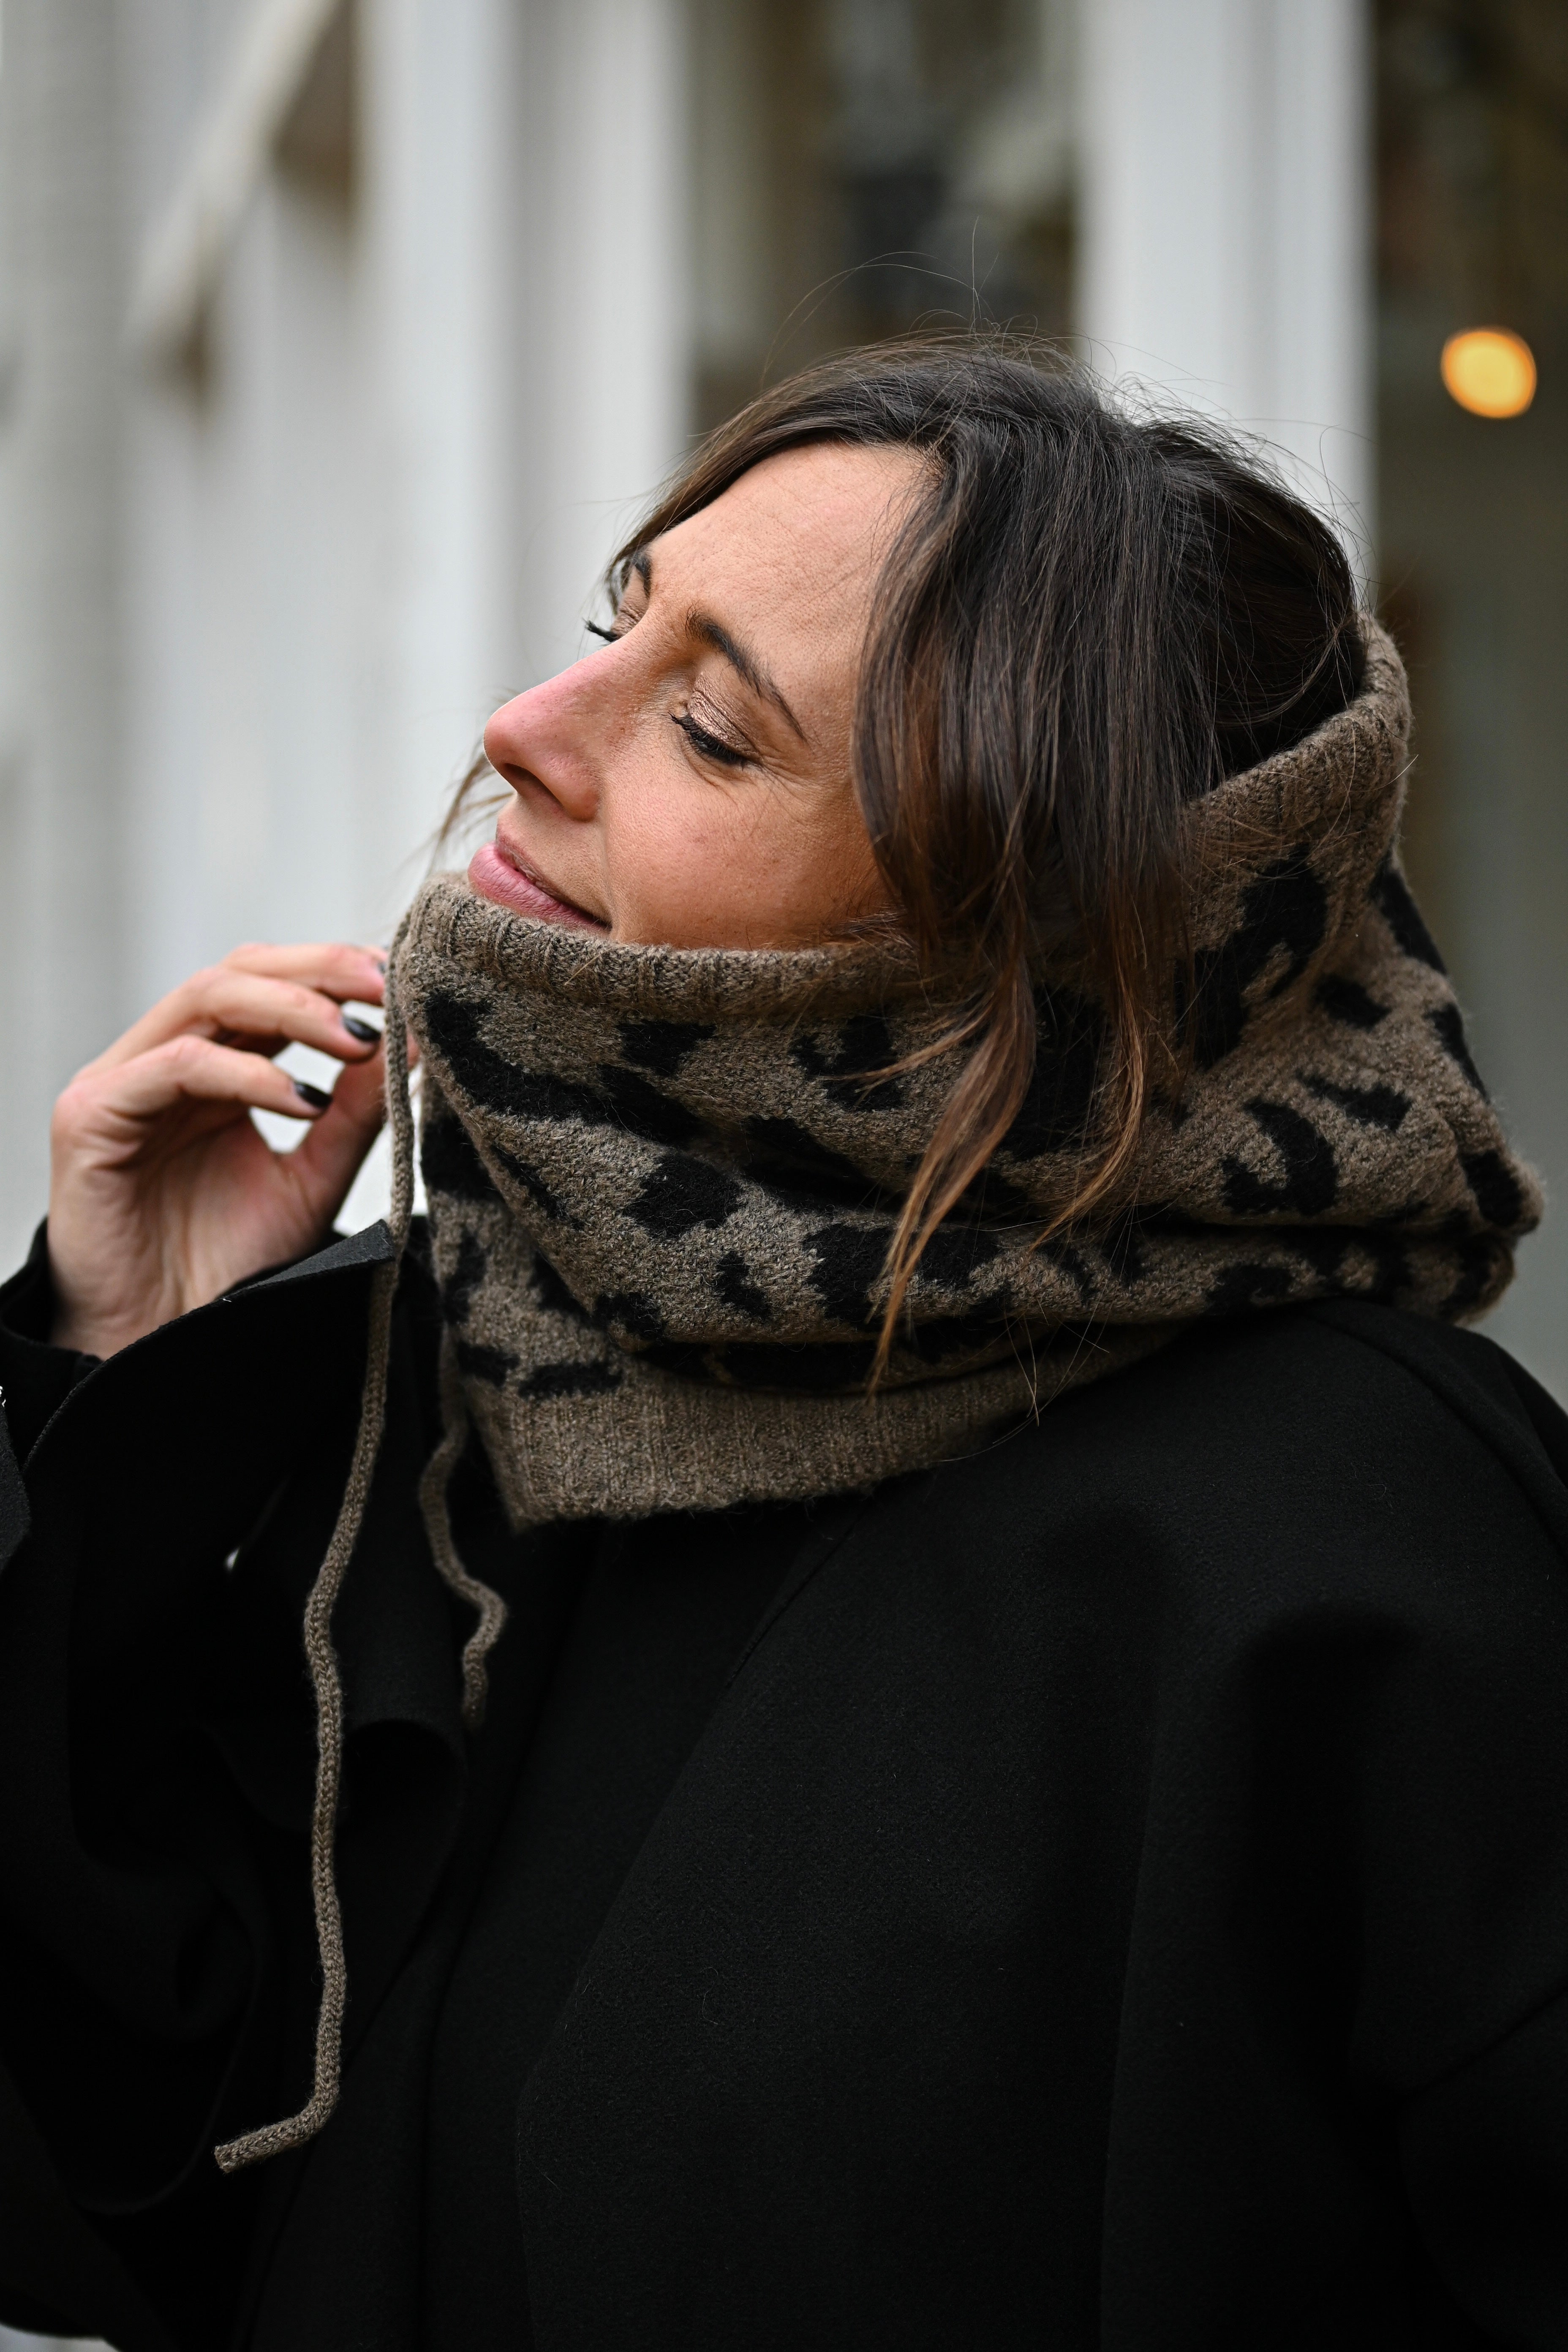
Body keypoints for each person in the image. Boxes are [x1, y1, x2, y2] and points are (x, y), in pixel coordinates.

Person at [0, 338, 1564, 2352]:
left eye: (712, 731)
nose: (524, 728)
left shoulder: (1349, 1543)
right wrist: (112, 1365)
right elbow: (114, 2173)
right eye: (615, 626)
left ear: (1016, 945)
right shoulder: (494, 1389)